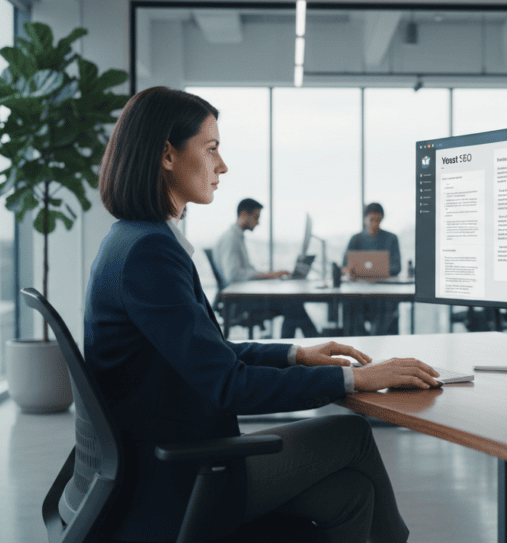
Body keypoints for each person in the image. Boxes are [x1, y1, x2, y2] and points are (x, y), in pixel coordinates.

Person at [85, 86, 439, 543]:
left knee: (350, 493)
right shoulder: (150, 252)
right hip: (179, 478)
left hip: (166, 459)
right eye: (211, 149)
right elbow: (229, 385)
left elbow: (210, 356)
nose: (222, 165)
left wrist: (296, 354)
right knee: (351, 434)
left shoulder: (133, 239)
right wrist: (356, 380)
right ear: (167, 155)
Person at [214, 197, 319, 338]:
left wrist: (271, 275)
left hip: (243, 296)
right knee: (292, 305)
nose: (258, 223)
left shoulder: (237, 237)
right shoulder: (231, 239)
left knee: (293, 305)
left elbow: (245, 271)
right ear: (244, 214)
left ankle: (293, 348)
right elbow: (234, 275)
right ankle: (309, 342)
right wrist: (271, 275)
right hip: (240, 302)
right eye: (256, 217)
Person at [342, 203, 402, 335]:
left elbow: (397, 267)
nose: (374, 224)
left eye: (378, 220)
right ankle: (359, 341)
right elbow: (344, 266)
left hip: (383, 293)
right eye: (371, 220)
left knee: (387, 306)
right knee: (349, 306)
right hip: (359, 292)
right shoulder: (355, 239)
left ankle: (375, 341)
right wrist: (350, 271)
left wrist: (378, 273)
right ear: (364, 219)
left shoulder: (391, 238)